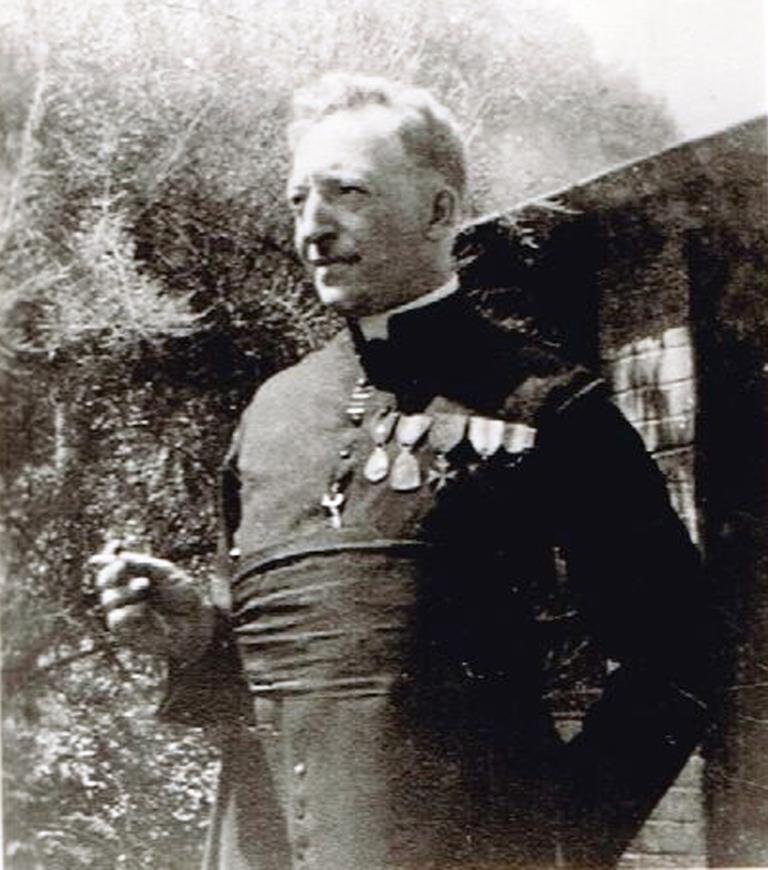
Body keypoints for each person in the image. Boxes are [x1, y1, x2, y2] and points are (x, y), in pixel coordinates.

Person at [93, 73, 720, 869]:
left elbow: (682, 655)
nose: (313, 228)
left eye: (346, 192)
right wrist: (197, 639)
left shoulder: (549, 405)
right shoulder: (271, 414)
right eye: (298, 200)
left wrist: (551, 840)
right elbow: (278, 681)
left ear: (439, 210)